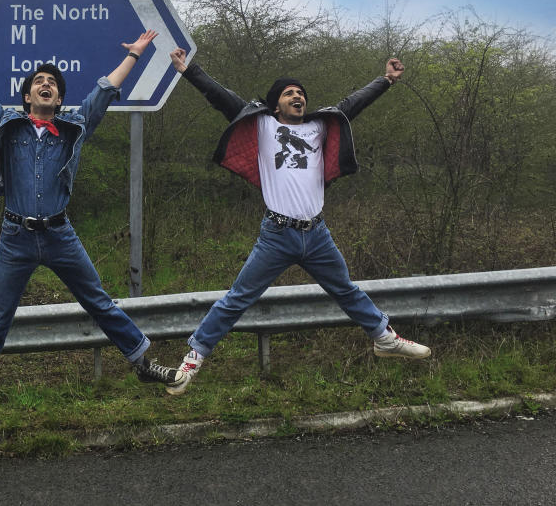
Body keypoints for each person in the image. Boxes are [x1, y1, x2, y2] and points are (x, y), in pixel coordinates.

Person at [0, 18, 183, 447]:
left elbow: (103, 93)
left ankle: (142, 362)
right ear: (27, 94)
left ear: (60, 97)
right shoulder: (7, 125)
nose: (46, 85)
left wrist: (134, 55)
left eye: (52, 83)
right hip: (15, 237)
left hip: (59, 234)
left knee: (100, 302)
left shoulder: (73, 128)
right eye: (38, 82)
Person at [165, 48, 431, 396]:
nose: (298, 96)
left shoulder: (320, 127)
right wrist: (189, 71)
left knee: (346, 290)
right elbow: (223, 99)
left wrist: (386, 81)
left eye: (301, 93)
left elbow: (353, 104)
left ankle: (384, 339)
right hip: (276, 235)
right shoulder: (263, 124)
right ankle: (193, 360)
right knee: (237, 299)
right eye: (290, 93)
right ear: (276, 105)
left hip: (317, 234)